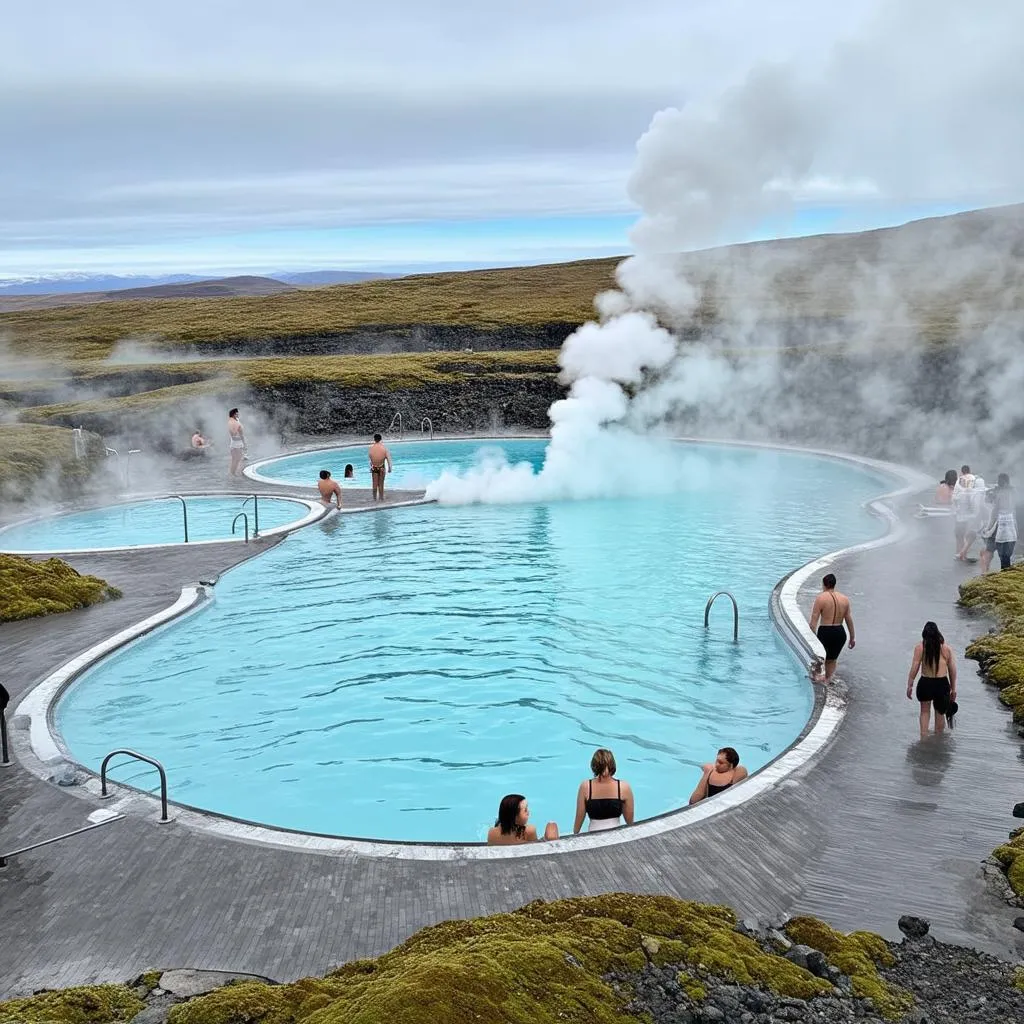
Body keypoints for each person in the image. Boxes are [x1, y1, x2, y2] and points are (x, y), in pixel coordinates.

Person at [906, 621, 957, 739]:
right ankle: (938, 743)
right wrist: (953, 689)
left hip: (925, 683)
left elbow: (915, 667)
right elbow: (952, 670)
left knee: (924, 712)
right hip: (941, 684)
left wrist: (910, 684)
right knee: (940, 714)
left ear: (924, 634)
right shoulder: (946, 649)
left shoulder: (920, 647)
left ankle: (923, 738)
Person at [572, 748, 635, 833]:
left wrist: (575, 836)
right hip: (616, 836)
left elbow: (579, 818)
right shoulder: (623, 787)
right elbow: (630, 823)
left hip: (593, 836)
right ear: (612, 765)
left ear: (594, 766)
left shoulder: (586, 787)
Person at [808, 573, 856, 683]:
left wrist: (812, 638)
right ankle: (827, 680)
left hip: (826, 631)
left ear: (824, 584)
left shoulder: (821, 598)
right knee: (832, 659)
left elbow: (813, 621)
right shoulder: (844, 599)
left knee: (819, 658)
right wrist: (852, 637)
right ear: (834, 584)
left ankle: (817, 679)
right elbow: (849, 620)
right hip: (840, 632)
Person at [486, 794, 559, 845]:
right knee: (552, 825)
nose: (528, 812)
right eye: (525, 810)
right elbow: (536, 849)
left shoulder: (492, 832)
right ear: (515, 816)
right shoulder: (529, 830)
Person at [981, 473, 1018, 572]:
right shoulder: (1013, 491)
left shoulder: (1000, 493)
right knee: (1006, 555)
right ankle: (1003, 571)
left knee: (991, 549)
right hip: (1011, 527)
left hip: (1000, 525)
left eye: (999, 481)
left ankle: (985, 573)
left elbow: (994, 511)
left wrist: (988, 527)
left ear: (1003, 482)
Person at [952, 469, 977, 559]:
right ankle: (962, 554)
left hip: (960, 517)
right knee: (967, 535)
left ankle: (960, 553)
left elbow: (954, 500)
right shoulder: (969, 489)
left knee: (960, 536)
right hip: (964, 517)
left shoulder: (959, 488)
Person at [368, 433, 392, 501]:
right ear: (381, 439)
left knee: (374, 484)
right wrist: (390, 468)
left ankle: (374, 498)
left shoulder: (371, 448)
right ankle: (381, 498)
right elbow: (389, 459)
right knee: (381, 484)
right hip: (381, 467)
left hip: (374, 467)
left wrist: (371, 467)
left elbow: (370, 459)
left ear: (374, 439)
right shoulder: (384, 449)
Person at [227, 408, 246, 477]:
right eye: (237, 413)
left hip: (236, 442)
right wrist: (243, 442)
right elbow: (234, 434)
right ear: (234, 414)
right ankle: (233, 473)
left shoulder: (235, 420)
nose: (238, 414)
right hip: (236, 443)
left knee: (236, 459)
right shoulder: (233, 422)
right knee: (236, 459)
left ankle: (232, 473)